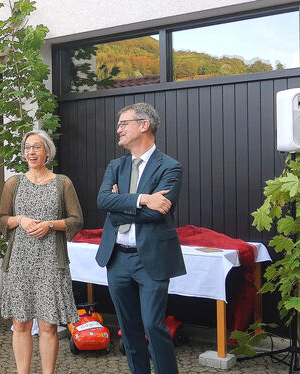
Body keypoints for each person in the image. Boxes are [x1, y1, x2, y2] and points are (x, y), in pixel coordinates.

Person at [96, 103, 185, 374]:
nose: (118, 129)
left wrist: (118, 208)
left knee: (153, 325)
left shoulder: (170, 167)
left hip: (152, 260)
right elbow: (103, 200)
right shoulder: (116, 166)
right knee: (128, 328)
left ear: (144, 125)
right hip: (117, 258)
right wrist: (142, 199)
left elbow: (158, 214)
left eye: (124, 124)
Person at [0, 129, 83, 374]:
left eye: (36, 147)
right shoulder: (13, 183)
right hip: (20, 261)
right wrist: (20, 220)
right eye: (27, 148)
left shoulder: (62, 182)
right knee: (20, 323)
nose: (31, 152)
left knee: (47, 326)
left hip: (50, 262)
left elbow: (76, 220)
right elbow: (2, 220)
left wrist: (51, 225)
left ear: (47, 151)